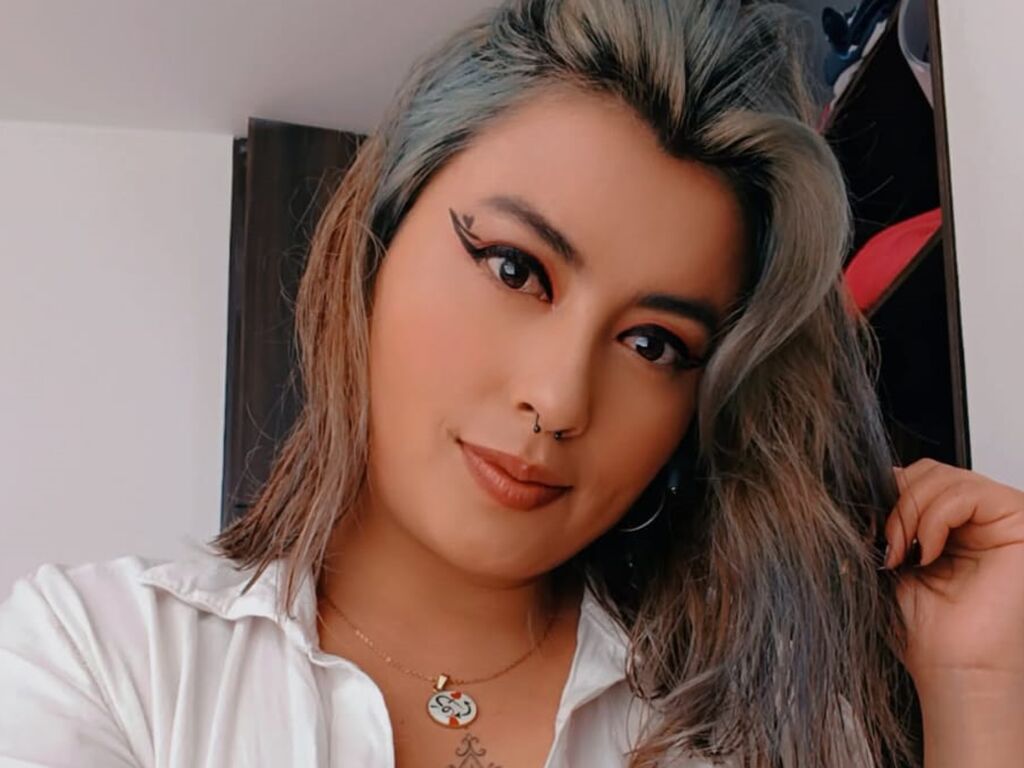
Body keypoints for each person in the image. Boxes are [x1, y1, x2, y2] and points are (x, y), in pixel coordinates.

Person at [2, 1, 1022, 766]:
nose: (561, 399)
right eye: (514, 269)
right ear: (375, 243)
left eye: (653, 343)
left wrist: (977, 692)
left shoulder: (758, 729)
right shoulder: (109, 658)